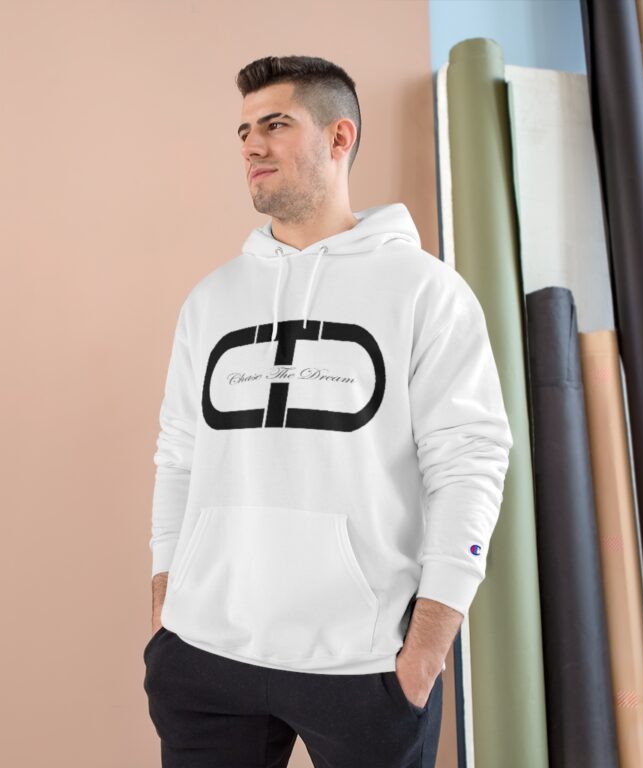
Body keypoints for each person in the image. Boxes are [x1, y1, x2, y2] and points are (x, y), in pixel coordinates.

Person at [142, 54, 513, 768]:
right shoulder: (212, 300)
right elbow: (178, 455)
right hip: (204, 655)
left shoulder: (426, 292)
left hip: (363, 663)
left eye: (276, 125)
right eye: (244, 131)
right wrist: (166, 604)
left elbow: (469, 464)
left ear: (340, 137)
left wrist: (427, 648)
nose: (251, 146)